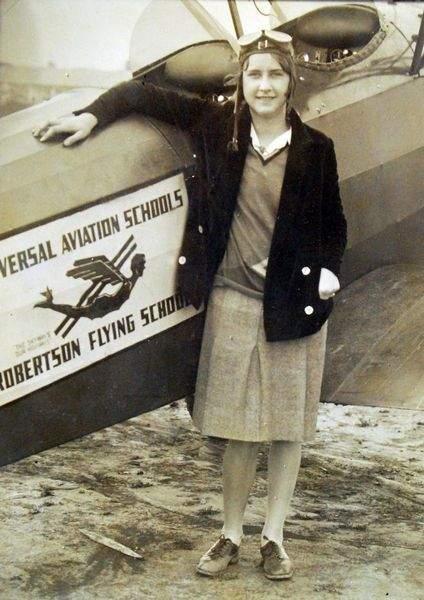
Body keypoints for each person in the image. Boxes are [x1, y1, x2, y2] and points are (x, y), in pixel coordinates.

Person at [33, 30, 347, 581]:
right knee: (238, 429)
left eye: (275, 75)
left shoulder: (316, 148)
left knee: (285, 429)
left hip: (292, 303)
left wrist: (326, 269)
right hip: (233, 299)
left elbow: (333, 222)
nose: (265, 85)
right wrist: (91, 116)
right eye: (255, 75)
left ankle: (274, 537)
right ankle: (231, 533)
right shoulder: (217, 127)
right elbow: (140, 94)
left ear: (290, 83)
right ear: (242, 83)